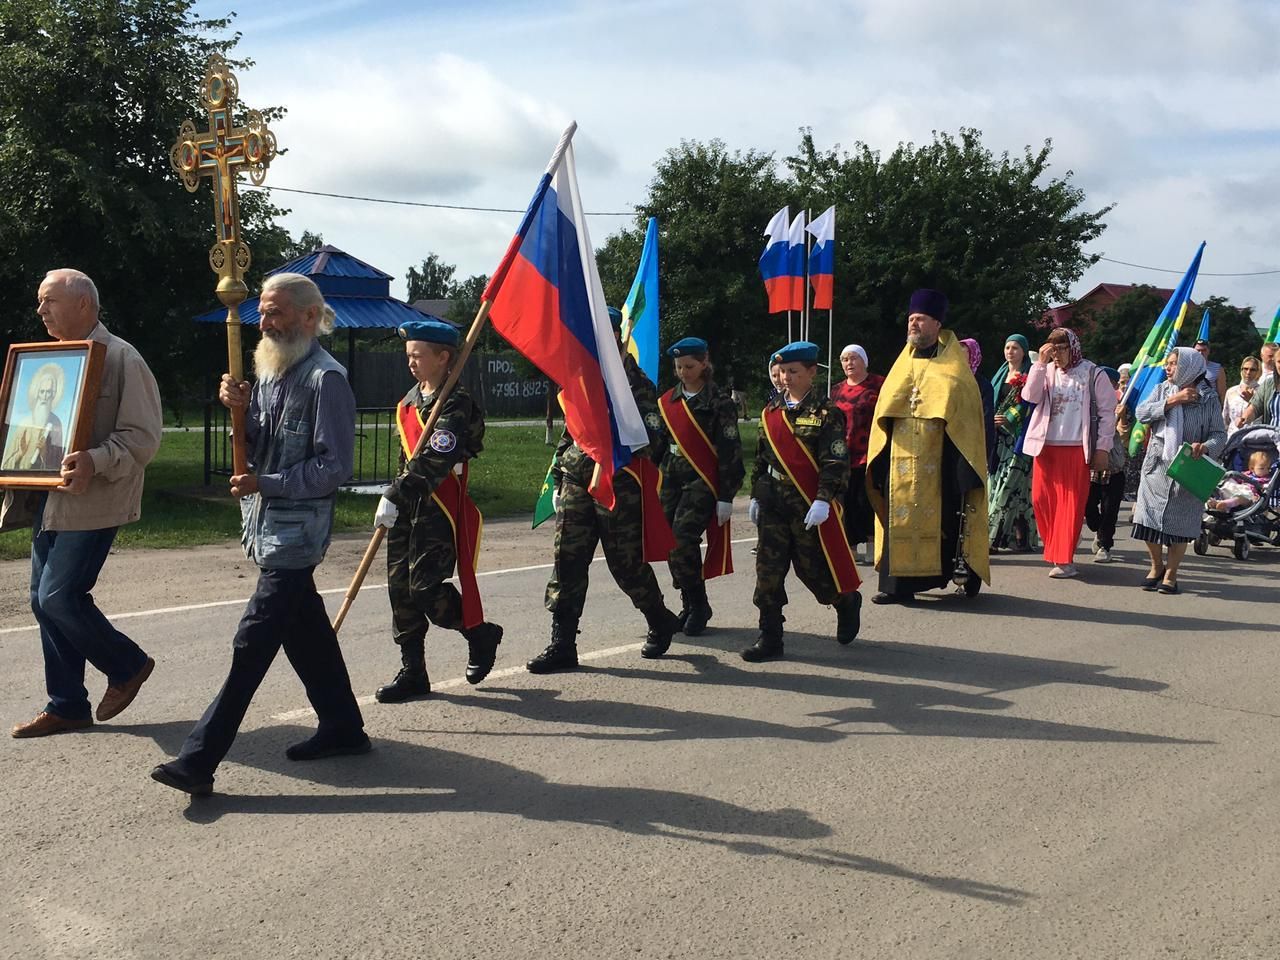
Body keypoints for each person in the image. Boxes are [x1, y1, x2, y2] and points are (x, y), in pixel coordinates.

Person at [151, 273, 367, 795]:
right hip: (266, 527)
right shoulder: (272, 372)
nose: (265, 323)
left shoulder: (326, 379)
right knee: (306, 631)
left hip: (296, 534)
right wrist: (239, 412)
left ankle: (197, 761)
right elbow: (258, 444)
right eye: (263, 313)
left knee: (252, 643)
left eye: (276, 313)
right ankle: (342, 726)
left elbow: (335, 468)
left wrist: (265, 482)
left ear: (309, 317)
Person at [5, 269, 162, 739]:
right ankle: (68, 704)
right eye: (39, 302)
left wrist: (95, 460)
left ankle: (127, 664)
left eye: (48, 300)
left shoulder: (121, 358)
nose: (40, 310)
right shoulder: (48, 361)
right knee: (40, 600)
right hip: (49, 501)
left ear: (83, 305)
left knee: (59, 596)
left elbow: (143, 438)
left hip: (95, 501)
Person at [527, 308, 680, 672]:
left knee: (625, 564)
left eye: (604, 334)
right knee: (567, 560)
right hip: (577, 481)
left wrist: (612, 448)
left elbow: (653, 437)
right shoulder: (579, 377)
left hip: (618, 483)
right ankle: (562, 643)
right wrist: (561, 472)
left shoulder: (635, 383)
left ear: (617, 336)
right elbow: (570, 433)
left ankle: (659, 618)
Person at [372, 320, 504, 703]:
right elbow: (407, 458)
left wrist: (397, 492)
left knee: (425, 588)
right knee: (400, 590)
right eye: (408, 355)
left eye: (418, 355)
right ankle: (413, 672)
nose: (410, 362)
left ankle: (478, 632)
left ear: (444, 357)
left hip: (439, 506)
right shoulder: (410, 403)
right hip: (407, 507)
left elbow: (436, 458)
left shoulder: (456, 402)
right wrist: (394, 496)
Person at [867, 289, 990, 604]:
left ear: (937, 323)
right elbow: (884, 414)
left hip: (941, 461)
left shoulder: (955, 370)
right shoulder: (900, 367)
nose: (914, 325)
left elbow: (966, 420)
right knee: (900, 516)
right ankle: (897, 587)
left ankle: (961, 575)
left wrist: (964, 467)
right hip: (900, 458)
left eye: (920, 319)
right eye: (911, 319)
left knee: (950, 519)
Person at [746, 340, 861, 661]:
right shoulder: (771, 412)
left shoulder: (827, 414)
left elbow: (835, 462)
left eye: (793, 371)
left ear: (812, 372)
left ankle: (844, 601)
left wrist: (824, 500)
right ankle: (770, 638)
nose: (785, 377)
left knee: (813, 573)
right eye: (781, 371)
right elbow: (760, 458)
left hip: (807, 505)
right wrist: (756, 491)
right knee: (767, 572)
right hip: (773, 505)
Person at [655, 336, 744, 639]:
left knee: (682, 539)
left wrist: (726, 495)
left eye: (689, 366)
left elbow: (730, 450)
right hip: (671, 477)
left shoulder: (720, 403)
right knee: (667, 543)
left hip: (702, 480)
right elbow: (658, 446)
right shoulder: (668, 401)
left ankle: (699, 604)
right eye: (678, 367)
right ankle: (689, 602)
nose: (683, 372)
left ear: (704, 363)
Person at [1020, 327, 1116, 579]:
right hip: (1045, 447)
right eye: (1053, 349)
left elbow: (1108, 413)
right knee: (1042, 501)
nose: (1057, 354)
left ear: (1072, 347)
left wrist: (1103, 447)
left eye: (1062, 348)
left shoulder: (1093, 373)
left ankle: (1065, 560)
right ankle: (1061, 545)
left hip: (1076, 448)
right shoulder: (1046, 370)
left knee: (1070, 505)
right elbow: (1029, 396)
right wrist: (1039, 365)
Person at [1132, 347, 1227, 595]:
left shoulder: (1208, 398)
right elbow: (1141, 413)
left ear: (1189, 367)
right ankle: (1156, 567)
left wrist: (1205, 447)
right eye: (1168, 363)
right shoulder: (1162, 389)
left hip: (1188, 467)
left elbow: (1219, 434)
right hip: (1157, 464)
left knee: (1181, 524)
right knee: (1147, 518)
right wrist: (1173, 400)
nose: (1168, 367)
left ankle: (1171, 575)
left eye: (1174, 363)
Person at [828, 344, 884, 558]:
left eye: (853, 358)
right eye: (844, 359)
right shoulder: (836, 390)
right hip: (843, 453)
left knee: (866, 499)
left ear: (863, 361)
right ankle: (851, 547)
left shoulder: (879, 384)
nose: (849, 363)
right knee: (848, 500)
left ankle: (872, 545)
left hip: (871, 451)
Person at [987, 333, 1039, 553]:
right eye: (1008, 347)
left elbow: (1030, 402)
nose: (1010, 351)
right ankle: (1021, 536)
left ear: (1023, 351)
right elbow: (991, 400)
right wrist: (992, 418)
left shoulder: (1030, 374)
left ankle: (991, 537)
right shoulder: (999, 375)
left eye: (1016, 348)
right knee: (1012, 488)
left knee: (1007, 486)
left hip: (1018, 438)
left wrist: (1009, 417)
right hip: (998, 438)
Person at [1084, 367, 1128, 563]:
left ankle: (1104, 544)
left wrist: (1123, 417)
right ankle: (1098, 530)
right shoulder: (1088, 405)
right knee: (1089, 507)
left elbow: (1126, 437)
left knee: (1110, 510)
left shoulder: (1123, 405)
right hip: (1091, 468)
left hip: (1114, 468)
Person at [2, 365, 66, 471]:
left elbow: (58, 465)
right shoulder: (24, 422)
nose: (45, 396)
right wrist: (21, 453)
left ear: (53, 394)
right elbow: (5, 465)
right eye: (42, 391)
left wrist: (44, 453)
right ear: (37, 393)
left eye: (48, 392)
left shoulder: (56, 423)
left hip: (42, 483)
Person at [960, 338, 996, 466]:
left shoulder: (982, 385)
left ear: (973, 358)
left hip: (973, 444)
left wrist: (984, 451)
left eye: (963, 355)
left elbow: (987, 420)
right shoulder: (950, 382)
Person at [1207, 451, 1272, 512]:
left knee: (1240, 498)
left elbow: (1264, 490)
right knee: (1229, 481)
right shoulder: (1246, 474)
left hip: (1249, 497)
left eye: (1268, 468)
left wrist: (1263, 488)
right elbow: (1237, 479)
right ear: (1252, 468)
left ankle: (1225, 504)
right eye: (1262, 468)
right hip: (1238, 490)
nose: (1266, 471)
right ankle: (1216, 502)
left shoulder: (1265, 480)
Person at [1222, 357, 1262, 438]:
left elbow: (1265, 417)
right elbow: (1225, 418)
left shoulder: (1262, 391)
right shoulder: (1231, 391)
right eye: (1245, 369)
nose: (1248, 372)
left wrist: (1251, 401)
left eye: (1252, 370)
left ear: (1258, 371)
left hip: (1254, 437)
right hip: (1232, 438)